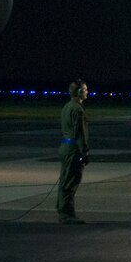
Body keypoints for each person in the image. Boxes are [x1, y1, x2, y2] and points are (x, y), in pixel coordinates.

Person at [56, 80, 91, 225]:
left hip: (65, 146)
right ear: (79, 92)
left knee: (65, 180)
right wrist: (85, 152)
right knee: (71, 181)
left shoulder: (67, 107)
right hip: (73, 149)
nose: (87, 92)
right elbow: (80, 133)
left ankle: (62, 209)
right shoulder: (78, 109)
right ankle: (66, 214)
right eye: (85, 89)